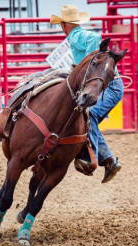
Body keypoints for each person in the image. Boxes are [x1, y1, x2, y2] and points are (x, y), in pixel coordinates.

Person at [50, 4, 123, 183]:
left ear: (64, 25)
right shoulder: (76, 35)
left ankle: (100, 158)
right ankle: (103, 158)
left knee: (89, 117)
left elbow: (95, 37)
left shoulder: (75, 36)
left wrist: (93, 61)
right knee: (88, 117)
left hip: (108, 86)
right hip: (109, 86)